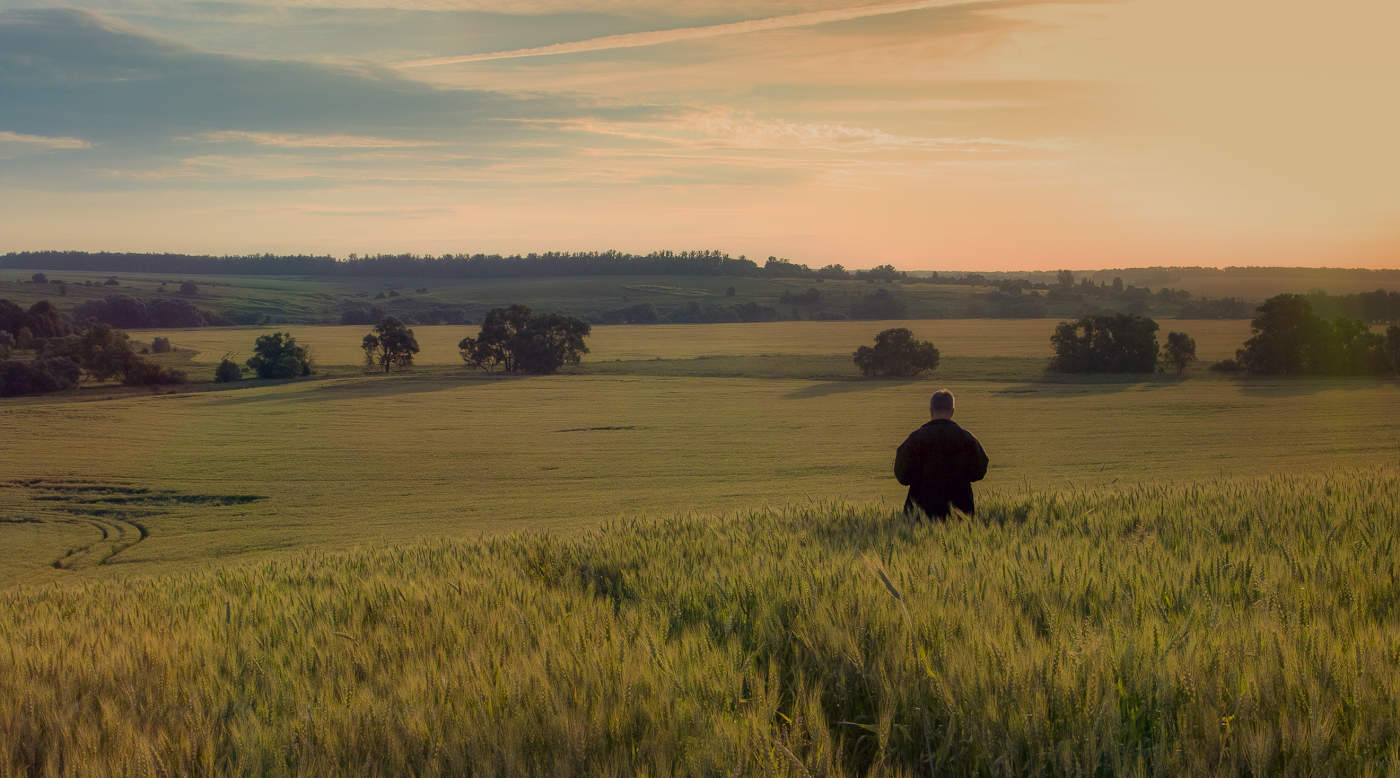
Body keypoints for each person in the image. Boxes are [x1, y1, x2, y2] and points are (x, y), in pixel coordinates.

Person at [894, 389, 988, 519]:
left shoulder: (914, 439)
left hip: (919, 515)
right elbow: (979, 472)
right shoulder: (967, 438)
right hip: (960, 513)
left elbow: (902, 477)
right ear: (952, 411)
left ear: (931, 410)